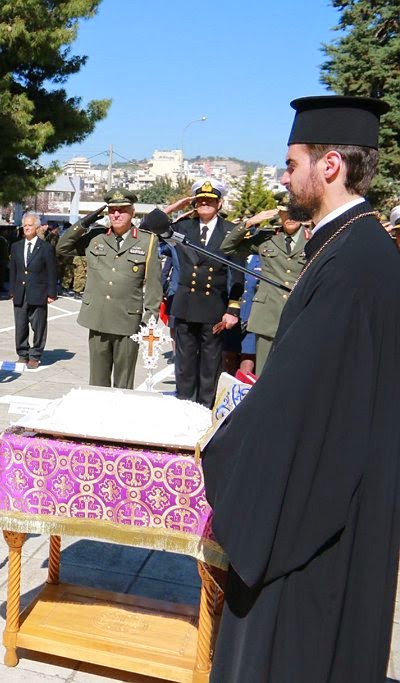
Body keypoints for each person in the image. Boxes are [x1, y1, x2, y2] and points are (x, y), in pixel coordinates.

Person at [201, 95, 400, 682]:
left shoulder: (353, 263)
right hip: (337, 493)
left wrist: (220, 442)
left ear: (329, 165)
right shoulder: (352, 246)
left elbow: (299, 408)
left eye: (292, 164)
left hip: (315, 521)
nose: (284, 177)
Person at [55, 190, 162, 388]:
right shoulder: (96, 237)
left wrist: (150, 320)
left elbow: (154, 284)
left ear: (133, 212)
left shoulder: (147, 241)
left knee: (123, 384)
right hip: (98, 318)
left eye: (122, 210)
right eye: (112, 211)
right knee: (97, 383)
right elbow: (62, 247)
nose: (116, 215)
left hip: (128, 322)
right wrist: (85, 222)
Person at [161, 180, 242, 407]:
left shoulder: (230, 231)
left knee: (210, 365)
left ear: (219, 204)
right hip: (186, 305)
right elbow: (151, 225)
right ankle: (184, 407)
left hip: (214, 306)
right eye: (200, 201)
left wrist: (232, 308)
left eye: (210, 201)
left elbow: (236, 272)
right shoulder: (183, 227)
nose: (205, 204)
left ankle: (205, 411)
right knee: (184, 364)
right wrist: (177, 206)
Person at [220, 191, 308, 374]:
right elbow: (227, 247)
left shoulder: (314, 239)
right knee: (263, 373)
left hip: (298, 314)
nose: (290, 217)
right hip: (267, 314)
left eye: (295, 212)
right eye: (285, 212)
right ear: (279, 213)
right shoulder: (266, 238)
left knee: (293, 373)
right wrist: (250, 222)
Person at [8, 212, 56, 369]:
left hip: (39, 291)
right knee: (20, 325)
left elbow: (51, 271)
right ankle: (22, 354)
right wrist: (12, 290)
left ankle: (35, 355)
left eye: (30, 225)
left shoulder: (46, 247)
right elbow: (13, 270)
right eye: (25, 226)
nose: (27, 228)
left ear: (37, 227)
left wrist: (51, 293)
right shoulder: (16, 246)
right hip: (20, 291)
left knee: (38, 325)